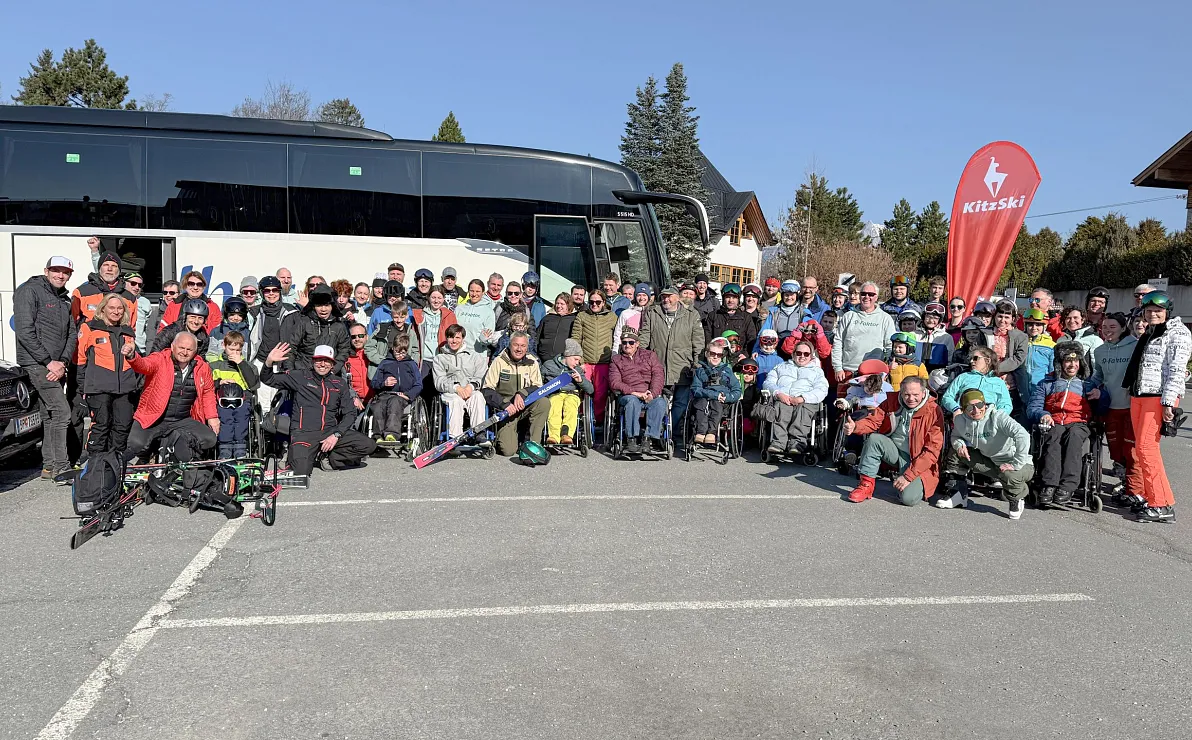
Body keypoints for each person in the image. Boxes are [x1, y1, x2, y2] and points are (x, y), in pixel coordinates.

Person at [1122, 291, 1190, 522]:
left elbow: (1177, 370)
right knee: (1143, 450)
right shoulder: (1151, 332)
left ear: (1167, 311)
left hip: (1157, 397)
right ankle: (1152, 498)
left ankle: (1161, 504)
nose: (1152, 314)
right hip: (1139, 393)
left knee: (1146, 448)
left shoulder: (1178, 333)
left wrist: (1169, 402)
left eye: (1157, 311)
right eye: (1148, 310)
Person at [262, 343, 376, 474]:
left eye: (327, 361)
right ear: (313, 361)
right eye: (319, 360)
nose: (323, 364)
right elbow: (268, 378)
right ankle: (296, 455)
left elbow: (350, 413)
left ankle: (328, 457)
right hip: (304, 434)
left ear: (332, 364)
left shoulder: (339, 383)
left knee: (368, 445)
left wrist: (336, 434)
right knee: (301, 473)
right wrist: (269, 362)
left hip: (329, 432)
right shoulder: (300, 377)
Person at [845, 376, 944, 507]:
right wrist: (855, 426)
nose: (911, 399)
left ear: (924, 392)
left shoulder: (934, 411)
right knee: (874, 439)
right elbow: (873, 421)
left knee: (909, 499)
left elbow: (932, 451)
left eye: (915, 394)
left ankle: (911, 482)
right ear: (901, 392)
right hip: (895, 452)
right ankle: (865, 485)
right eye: (906, 394)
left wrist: (908, 476)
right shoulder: (892, 401)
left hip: (920, 461)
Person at [1029, 341, 1105, 507]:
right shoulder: (1047, 383)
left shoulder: (1087, 384)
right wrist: (1043, 414)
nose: (1072, 365)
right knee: (1053, 436)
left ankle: (1068, 486)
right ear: (1060, 363)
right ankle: (1050, 485)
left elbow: (1102, 407)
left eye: (1076, 361)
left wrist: (1101, 395)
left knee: (1074, 437)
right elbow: (1033, 407)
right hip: (1054, 420)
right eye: (1068, 361)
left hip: (1078, 421)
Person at [938, 389, 1034, 519]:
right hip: (991, 462)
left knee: (1010, 476)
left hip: (1019, 464)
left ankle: (1017, 498)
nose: (976, 410)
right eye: (970, 407)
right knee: (956, 452)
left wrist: (1016, 463)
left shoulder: (997, 417)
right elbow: (955, 436)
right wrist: (959, 444)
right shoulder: (960, 420)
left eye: (979, 405)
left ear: (985, 404)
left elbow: (1023, 435)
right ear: (963, 409)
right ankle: (958, 495)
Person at [125, 331, 219, 463]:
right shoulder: (160, 359)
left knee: (209, 439)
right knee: (136, 445)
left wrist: (212, 417)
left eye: (189, 349)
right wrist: (131, 356)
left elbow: (208, 392)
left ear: (195, 351)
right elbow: (144, 365)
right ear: (173, 346)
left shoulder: (202, 367)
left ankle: (175, 447)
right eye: (181, 348)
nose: (185, 352)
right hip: (153, 417)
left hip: (182, 420)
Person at [639, 286, 704, 437]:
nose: (666, 299)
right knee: (657, 401)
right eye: (663, 297)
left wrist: (697, 362)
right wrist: (639, 358)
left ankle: (669, 430)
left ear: (677, 298)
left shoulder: (691, 315)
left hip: (682, 365)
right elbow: (644, 337)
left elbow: (698, 341)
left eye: (669, 296)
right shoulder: (653, 313)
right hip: (658, 364)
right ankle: (656, 431)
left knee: (681, 403)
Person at [76, 294, 137, 455]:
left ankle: (115, 462)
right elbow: (80, 360)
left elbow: (134, 360)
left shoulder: (128, 331)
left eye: (119, 308)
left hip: (124, 388)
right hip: (98, 388)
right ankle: (96, 464)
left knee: (123, 426)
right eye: (112, 307)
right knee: (102, 424)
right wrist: (81, 389)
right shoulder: (89, 328)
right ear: (103, 308)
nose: (116, 311)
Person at [1091, 313, 1139, 502]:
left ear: (1122, 328)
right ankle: (1123, 482)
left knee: (1131, 451)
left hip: (1131, 407)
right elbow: (1099, 376)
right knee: (1115, 449)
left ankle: (1134, 489)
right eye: (1105, 327)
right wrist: (1088, 386)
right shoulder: (1100, 351)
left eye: (1112, 327)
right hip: (1110, 407)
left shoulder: (1134, 346)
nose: (1108, 331)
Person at [481, 332, 549, 456]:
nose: (519, 349)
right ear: (509, 345)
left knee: (544, 402)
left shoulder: (532, 362)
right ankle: (505, 436)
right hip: (507, 410)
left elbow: (539, 387)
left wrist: (522, 393)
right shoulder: (499, 361)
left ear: (527, 347)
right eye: (516, 345)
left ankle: (533, 445)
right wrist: (504, 404)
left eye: (523, 346)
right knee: (508, 451)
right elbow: (487, 389)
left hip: (525, 405)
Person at [762, 338, 828, 455]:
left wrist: (803, 398)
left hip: (805, 401)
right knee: (781, 407)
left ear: (811, 357)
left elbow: (822, 389)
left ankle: (797, 443)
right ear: (793, 354)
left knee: (803, 409)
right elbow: (768, 383)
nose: (802, 356)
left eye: (806, 354)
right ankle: (778, 443)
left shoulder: (817, 372)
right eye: (799, 353)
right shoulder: (781, 367)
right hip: (784, 398)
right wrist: (778, 393)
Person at [609, 327, 667, 454]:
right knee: (632, 402)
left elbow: (658, 375)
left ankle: (648, 438)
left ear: (637, 344)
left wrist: (652, 393)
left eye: (631, 342)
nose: (627, 345)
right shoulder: (616, 360)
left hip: (648, 393)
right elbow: (615, 382)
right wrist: (634, 393)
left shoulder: (649, 355)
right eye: (624, 342)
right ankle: (631, 438)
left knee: (660, 403)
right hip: (629, 394)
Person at [249, 275, 299, 412]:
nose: (271, 293)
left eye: (275, 290)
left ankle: (277, 431)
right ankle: (263, 432)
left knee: (279, 403)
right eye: (267, 291)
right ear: (261, 293)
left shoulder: (292, 312)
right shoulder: (255, 312)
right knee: (262, 402)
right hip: (262, 361)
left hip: (283, 363)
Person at [831, 282, 895, 385]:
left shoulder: (885, 318)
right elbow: (838, 342)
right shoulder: (848, 316)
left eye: (871, 294)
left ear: (876, 297)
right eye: (863, 293)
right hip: (848, 371)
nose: (867, 297)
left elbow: (890, 346)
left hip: (874, 373)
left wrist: (887, 369)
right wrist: (838, 367)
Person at [209, 330, 260, 459]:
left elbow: (253, 385)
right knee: (225, 417)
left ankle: (240, 447)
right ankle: (225, 447)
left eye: (238, 350)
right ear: (224, 346)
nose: (234, 353)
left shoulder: (248, 366)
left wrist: (241, 363)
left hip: (242, 400)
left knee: (242, 416)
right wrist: (219, 382)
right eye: (231, 349)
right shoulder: (215, 365)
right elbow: (206, 384)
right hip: (222, 401)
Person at [433, 324, 489, 438]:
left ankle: (479, 433)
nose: (454, 341)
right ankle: (455, 437)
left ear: (463, 339)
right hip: (451, 392)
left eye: (457, 338)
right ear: (447, 338)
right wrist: (456, 388)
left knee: (478, 396)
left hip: (469, 390)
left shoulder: (474, 356)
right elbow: (439, 381)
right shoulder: (440, 358)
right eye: (451, 337)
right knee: (456, 401)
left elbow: (481, 374)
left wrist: (471, 387)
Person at [571, 289, 617, 423]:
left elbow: (617, 337)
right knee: (584, 391)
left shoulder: (612, 317)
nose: (594, 305)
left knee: (600, 394)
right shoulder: (582, 316)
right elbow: (576, 339)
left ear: (603, 302)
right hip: (586, 361)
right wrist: (580, 360)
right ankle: (582, 420)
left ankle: (599, 421)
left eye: (598, 302)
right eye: (591, 302)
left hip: (604, 362)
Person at [368, 334, 423, 442]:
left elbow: (418, 384)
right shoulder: (385, 363)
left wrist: (409, 395)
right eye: (397, 352)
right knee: (378, 406)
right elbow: (374, 383)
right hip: (385, 394)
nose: (400, 355)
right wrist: (384, 383)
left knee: (394, 402)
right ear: (393, 348)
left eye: (403, 353)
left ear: (407, 351)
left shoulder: (411, 364)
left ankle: (391, 434)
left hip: (402, 396)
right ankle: (378, 435)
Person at [287, 284, 351, 372]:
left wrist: (334, 369)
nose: (323, 309)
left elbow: (344, 350)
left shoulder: (339, 325)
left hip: (330, 374)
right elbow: (291, 347)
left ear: (332, 306)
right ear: (313, 306)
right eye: (319, 305)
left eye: (327, 305)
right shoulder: (303, 322)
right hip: (304, 372)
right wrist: (290, 370)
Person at [541, 338, 593, 445]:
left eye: (578, 360)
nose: (577, 363)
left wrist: (580, 380)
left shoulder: (577, 370)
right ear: (567, 356)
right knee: (555, 404)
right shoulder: (549, 365)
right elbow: (539, 383)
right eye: (575, 359)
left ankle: (566, 435)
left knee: (570, 405)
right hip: (555, 393)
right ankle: (553, 436)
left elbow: (591, 389)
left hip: (572, 394)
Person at [690, 339, 743, 444]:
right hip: (704, 398)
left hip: (721, 401)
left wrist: (727, 397)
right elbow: (695, 389)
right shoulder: (700, 371)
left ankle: (711, 432)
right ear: (706, 354)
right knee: (701, 403)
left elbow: (737, 390)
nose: (715, 357)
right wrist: (713, 395)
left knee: (716, 404)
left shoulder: (727, 371)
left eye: (719, 355)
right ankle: (701, 432)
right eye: (712, 353)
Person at [940, 346, 1013, 418]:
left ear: (987, 361)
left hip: (989, 419)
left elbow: (1006, 405)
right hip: (965, 417)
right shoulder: (963, 377)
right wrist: (956, 409)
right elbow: (947, 397)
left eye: (975, 358)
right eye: (970, 359)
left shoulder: (999, 382)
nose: (971, 361)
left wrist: (996, 417)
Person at [71, 251, 135, 325]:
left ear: (119, 270)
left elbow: (132, 328)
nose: (109, 269)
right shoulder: (81, 293)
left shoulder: (130, 298)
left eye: (114, 266)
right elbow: (73, 324)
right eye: (105, 265)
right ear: (99, 268)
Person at [990, 300, 1029, 418]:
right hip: (990, 382)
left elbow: (1018, 358)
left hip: (1011, 384)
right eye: (1000, 316)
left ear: (1013, 318)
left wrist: (996, 369)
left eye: (1007, 317)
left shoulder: (1021, 336)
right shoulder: (987, 334)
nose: (1002, 320)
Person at [412, 287, 458, 376]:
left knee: (439, 388)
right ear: (428, 298)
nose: (436, 301)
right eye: (433, 297)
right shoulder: (419, 315)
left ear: (443, 299)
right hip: (424, 359)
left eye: (439, 298)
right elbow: (413, 338)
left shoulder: (449, 315)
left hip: (440, 359)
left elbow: (455, 338)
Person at [1020, 308, 1057, 409]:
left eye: (1038, 325)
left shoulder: (1051, 345)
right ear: (1025, 326)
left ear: (1044, 326)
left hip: (1040, 388)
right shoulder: (1020, 342)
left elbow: (1052, 370)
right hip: (1021, 388)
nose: (1034, 327)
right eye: (1030, 324)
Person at [706, 283, 758, 351]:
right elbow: (707, 338)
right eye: (727, 297)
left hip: (738, 357)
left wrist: (745, 354)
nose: (730, 300)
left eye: (734, 297)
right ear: (723, 298)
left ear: (738, 300)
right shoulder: (713, 315)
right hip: (717, 355)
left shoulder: (746, 317)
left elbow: (751, 339)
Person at [757, 280, 806, 347]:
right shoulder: (774, 312)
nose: (789, 298)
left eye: (792, 295)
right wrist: (756, 350)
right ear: (782, 295)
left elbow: (808, 337)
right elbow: (763, 333)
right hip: (776, 349)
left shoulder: (804, 313)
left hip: (796, 351)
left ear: (797, 296)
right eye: (786, 295)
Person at [456, 279, 498, 355]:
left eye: (478, 291)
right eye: (472, 291)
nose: (474, 294)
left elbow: (489, 337)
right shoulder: (459, 309)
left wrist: (485, 339)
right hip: (459, 353)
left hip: (477, 355)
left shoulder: (488, 311)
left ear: (483, 293)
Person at [538, 293, 578, 361]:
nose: (559, 306)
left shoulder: (573, 320)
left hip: (563, 359)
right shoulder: (547, 318)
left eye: (562, 304)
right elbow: (537, 336)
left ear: (568, 305)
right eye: (557, 303)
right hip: (544, 358)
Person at [613, 283, 652, 352]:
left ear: (648, 297)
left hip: (648, 352)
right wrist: (615, 353)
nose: (641, 298)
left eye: (644, 295)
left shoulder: (653, 313)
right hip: (629, 351)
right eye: (639, 295)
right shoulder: (626, 313)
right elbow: (618, 334)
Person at [121, 271, 153, 353]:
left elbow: (148, 327)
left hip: (140, 348)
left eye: (140, 285)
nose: (137, 287)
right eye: (133, 283)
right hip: (122, 346)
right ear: (124, 283)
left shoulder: (145, 302)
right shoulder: (117, 299)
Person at [919, 303, 955, 372]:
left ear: (940, 320)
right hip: (916, 374)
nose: (931, 321)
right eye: (928, 317)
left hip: (937, 375)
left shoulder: (946, 337)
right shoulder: (914, 334)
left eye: (935, 318)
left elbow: (950, 360)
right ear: (923, 317)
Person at [145, 280, 179, 352]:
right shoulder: (156, 313)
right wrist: (149, 357)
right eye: (165, 292)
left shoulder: (183, 312)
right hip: (160, 355)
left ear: (179, 294)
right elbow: (150, 339)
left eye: (172, 293)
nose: (168, 295)